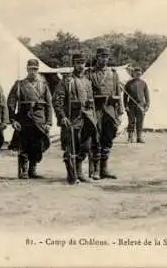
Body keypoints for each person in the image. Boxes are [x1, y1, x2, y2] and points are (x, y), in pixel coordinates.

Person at [53, 53, 98, 184]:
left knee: (85, 146)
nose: (81, 66)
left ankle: (79, 172)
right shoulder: (66, 81)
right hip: (72, 118)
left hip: (87, 118)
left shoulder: (87, 82)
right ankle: (72, 175)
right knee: (71, 147)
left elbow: (91, 101)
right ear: (73, 64)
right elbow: (57, 100)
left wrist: (93, 117)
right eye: (78, 63)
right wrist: (62, 117)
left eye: (83, 63)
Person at [7, 59, 53, 180]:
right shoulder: (19, 85)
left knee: (37, 145)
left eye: (35, 69)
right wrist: (13, 120)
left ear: (38, 70)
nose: (33, 71)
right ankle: (24, 171)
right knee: (24, 145)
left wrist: (48, 122)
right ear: (27, 69)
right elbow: (11, 103)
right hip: (24, 118)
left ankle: (33, 170)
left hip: (39, 119)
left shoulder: (43, 85)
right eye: (31, 69)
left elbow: (49, 104)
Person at [87, 47, 124, 180]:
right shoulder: (90, 74)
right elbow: (86, 92)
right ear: (97, 57)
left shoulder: (113, 73)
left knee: (108, 138)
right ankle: (95, 170)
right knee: (96, 138)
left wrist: (120, 110)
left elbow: (117, 93)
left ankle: (104, 169)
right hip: (96, 110)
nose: (104, 59)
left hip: (110, 110)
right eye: (101, 56)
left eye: (106, 57)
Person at [123, 66, 150, 143]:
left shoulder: (143, 83)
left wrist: (147, 105)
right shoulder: (128, 83)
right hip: (131, 105)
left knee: (140, 121)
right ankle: (130, 137)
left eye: (139, 73)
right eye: (136, 72)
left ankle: (139, 137)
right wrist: (126, 106)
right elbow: (125, 96)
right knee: (131, 121)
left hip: (141, 105)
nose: (138, 74)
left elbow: (147, 95)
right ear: (133, 73)